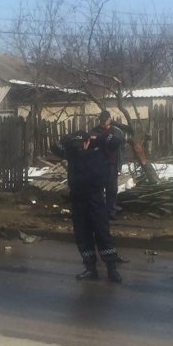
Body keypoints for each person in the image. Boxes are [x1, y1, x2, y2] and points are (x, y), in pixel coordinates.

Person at [51, 129, 123, 282]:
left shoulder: (99, 149)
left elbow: (116, 141)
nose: (80, 147)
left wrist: (100, 138)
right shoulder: (71, 152)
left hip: (95, 198)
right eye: (77, 144)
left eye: (82, 143)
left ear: (88, 141)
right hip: (78, 198)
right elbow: (55, 148)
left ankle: (112, 269)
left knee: (102, 233)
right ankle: (90, 269)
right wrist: (67, 138)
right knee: (83, 235)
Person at [89, 110, 125, 220]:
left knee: (112, 189)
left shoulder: (117, 132)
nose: (103, 123)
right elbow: (90, 145)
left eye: (105, 121)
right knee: (98, 188)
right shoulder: (95, 131)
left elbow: (121, 148)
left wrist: (119, 163)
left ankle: (110, 211)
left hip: (112, 164)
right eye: (102, 121)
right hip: (99, 164)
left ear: (109, 120)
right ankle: (99, 211)